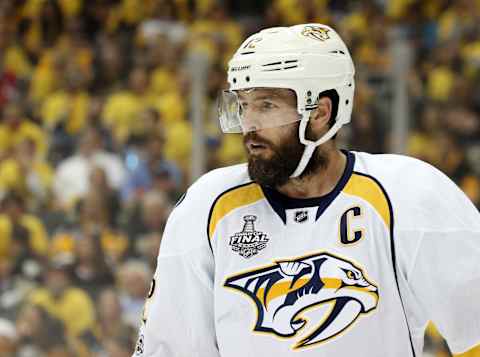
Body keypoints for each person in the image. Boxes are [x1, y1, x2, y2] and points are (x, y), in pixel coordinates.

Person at [133, 24, 480, 357]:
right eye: (243, 104)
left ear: (320, 112)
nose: (249, 124)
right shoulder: (208, 206)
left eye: (266, 105)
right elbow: (170, 347)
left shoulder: (409, 194)